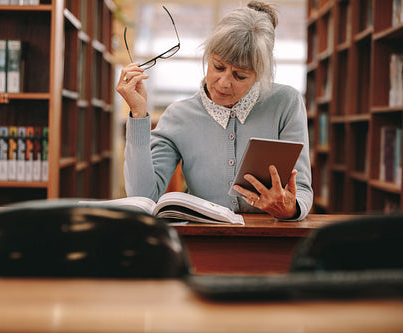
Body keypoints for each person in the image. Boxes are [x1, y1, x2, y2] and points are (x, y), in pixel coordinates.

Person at [116, 1, 313, 221]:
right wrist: (138, 114)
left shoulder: (286, 103)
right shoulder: (178, 116)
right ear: (208, 57)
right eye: (218, 67)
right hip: (202, 240)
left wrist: (290, 208)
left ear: (260, 75)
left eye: (240, 76)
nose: (224, 82)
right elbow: (142, 197)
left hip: (269, 238)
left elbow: (302, 190)